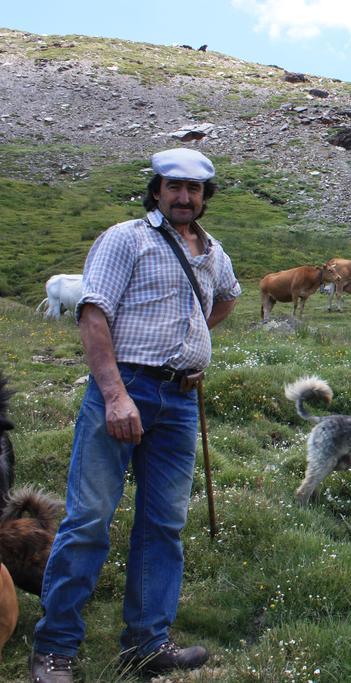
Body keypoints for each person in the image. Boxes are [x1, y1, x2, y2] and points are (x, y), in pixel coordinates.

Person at [30, 148, 241, 682]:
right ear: (156, 190)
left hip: (180, 400)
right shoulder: (124, 238)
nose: (184, 197)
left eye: (194, 190)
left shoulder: (214, 252)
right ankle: (54, 647)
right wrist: (116, 393)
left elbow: (227, 298)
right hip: (123, 389)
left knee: (164, 523)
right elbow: (93, 311)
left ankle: (146, 644)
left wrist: (190, 338)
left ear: (205, 197)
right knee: (88, 520)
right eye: (174, 187)